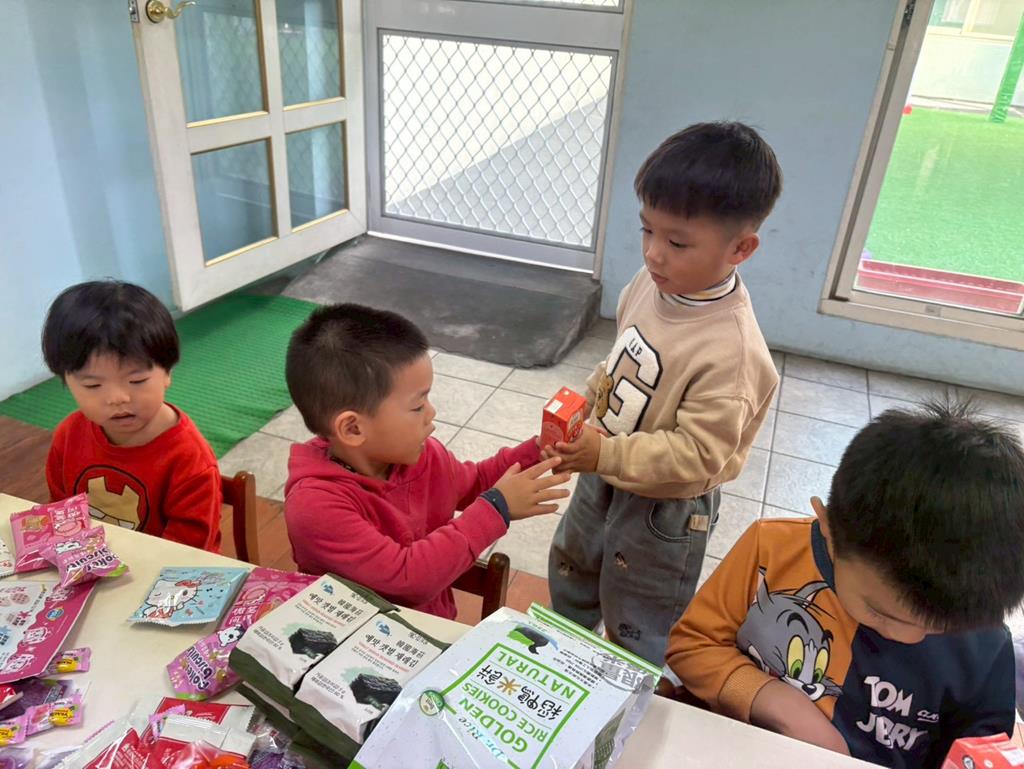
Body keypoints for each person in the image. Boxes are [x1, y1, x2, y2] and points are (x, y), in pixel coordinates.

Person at [667, 402, 1024, 768]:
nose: (908, 636)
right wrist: (776, 702)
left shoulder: (982, 637)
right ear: (828, 528)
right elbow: (690, 644)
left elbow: (983, 749)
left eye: (939, 627)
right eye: (880, 612)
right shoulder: (772, 550)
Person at [547, 121, 783, 665]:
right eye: (647, 230)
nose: (654, 254)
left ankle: (628, 692)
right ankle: (559, 662)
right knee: (573, 571)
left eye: (677, 242)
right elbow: (620, 359)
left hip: (665, 513)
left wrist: (605, 453)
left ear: (741, 248)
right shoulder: (650, 284)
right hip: (603, 470)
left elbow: (699, 454)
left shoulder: (732, 352)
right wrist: (586, 409)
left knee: (640, 622)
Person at [283, 303, 569, 619]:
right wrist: (495, 508)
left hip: (429, 627)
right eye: (418, 406)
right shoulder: (315, 506)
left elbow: (474, 483)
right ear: (353, 429)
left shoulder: (422, 456)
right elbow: (409, 579)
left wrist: (538, 451)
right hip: (356, 637)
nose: (431, 413)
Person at [43, 280, 221, 551]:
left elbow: (188, 551)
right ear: (65, 381)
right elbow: (60, 514)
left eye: (136, 381)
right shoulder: (69, 435)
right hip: (89, 561)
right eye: (93, 385)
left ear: (168, 373)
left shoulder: (189, 458)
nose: (118, 398)